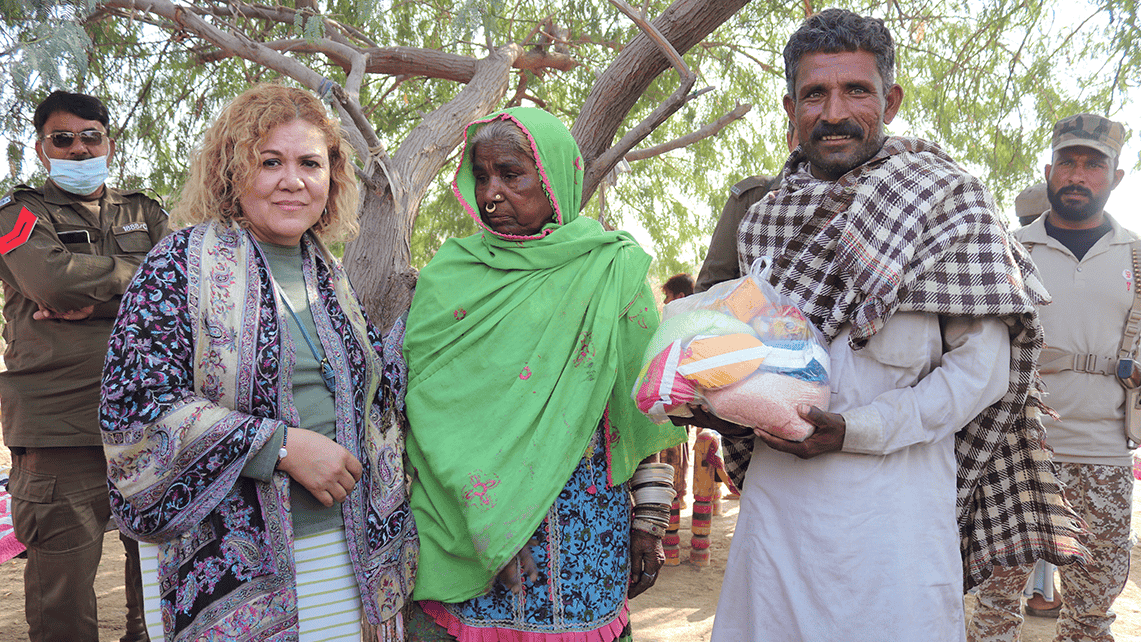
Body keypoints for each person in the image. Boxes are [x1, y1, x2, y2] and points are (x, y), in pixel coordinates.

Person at [680, 9, 1086, 641]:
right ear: (791, 107)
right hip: (778, 520)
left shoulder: (951, 207)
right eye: (815, 93)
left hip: (898, 525)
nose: (834, 112)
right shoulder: (762, 220)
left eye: (856, 91)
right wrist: (712, 396)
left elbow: (981, 373)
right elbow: (747, 355)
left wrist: (855, 431)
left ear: (890, 101)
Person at [99, 84, 418, 641]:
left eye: (309, 164)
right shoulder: (177, 265)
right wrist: (283, 447)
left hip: (349, 559)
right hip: (233, 568)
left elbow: (373, 396)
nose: (292, 180)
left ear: (332, 178)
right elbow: (136, 411)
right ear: (233, 170)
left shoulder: (328, 274)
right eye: (270, 162)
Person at [402, 107, 685, 641]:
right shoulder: (449, 279)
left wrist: (649, 518)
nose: (491, 193)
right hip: (466, 528)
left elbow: (642, 411)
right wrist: (489, 522)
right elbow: (426, 413)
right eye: (482, 176)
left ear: (554, 176)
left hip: (583, 531)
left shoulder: (611, 271)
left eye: (512, 174)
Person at [0, 90, 168, 642]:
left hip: (152, 424)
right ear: (43, 149)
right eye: (62, 139)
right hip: (58, 433)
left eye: (89, 136)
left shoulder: (147, 211)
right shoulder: (17, 214)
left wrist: (91, 298)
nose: (77, 149)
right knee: (62, 602)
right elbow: (51, 282)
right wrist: (139, 281)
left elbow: (185, 286)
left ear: (109, 144)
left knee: (159, 592)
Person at [968, 113, 1133, 642]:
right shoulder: (1008, 249)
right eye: (1068, 162)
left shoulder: (1137, 255)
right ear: (1049, 170)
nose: (1078, 175)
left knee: (1090, 618)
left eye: (1093, 165)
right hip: (1014, 451)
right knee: (994, 608)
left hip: (1103, 453)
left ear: (1116, 177)